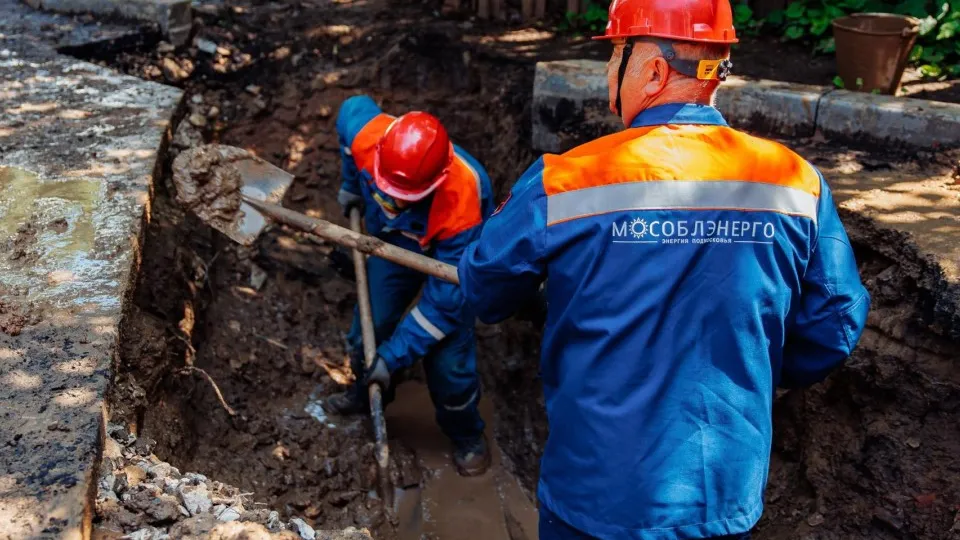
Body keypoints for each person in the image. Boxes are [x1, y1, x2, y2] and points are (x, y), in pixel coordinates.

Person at [457, 0, 871, 537]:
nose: (609, 71)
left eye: (615, 55)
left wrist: (544, 299)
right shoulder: (796, 181)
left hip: (595, 495)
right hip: (722, 497)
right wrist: (754, 364)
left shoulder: (568, 178)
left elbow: (485, 286)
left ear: (652, 70)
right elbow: (837, 320)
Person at [326, 95, 494, 476]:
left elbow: (445, 303)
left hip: (451, 256)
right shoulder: (366, 134)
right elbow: (350, 109)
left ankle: (466, 434)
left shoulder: (463, 199)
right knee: (366, 333)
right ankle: (368, 393)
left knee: (449, 365)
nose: (388, 199)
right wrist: (351, 184)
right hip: (394, 242)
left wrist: (393, 356)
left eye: (400, 199)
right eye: (384, 191)